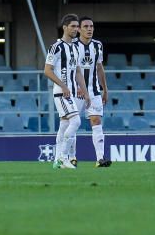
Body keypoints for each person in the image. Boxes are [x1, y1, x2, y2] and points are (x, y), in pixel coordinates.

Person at [43, 14, 90, 170]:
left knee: (64, 125)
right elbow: (47, 71)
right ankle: (63, 158)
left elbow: (77, 71)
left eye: (77, 26)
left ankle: (57, 160)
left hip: (70, 92)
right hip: (61, 92)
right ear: (64, 27)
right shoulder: (56, 47)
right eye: (73, 26)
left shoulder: (75, 48)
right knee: (75, 121)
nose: (76, 29)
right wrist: (63, 86)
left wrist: (85, 91)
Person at [75, 17, 110, 168]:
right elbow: (68, 68)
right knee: (73, 124)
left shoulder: (98, 45)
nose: (89, 29)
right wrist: (75, 85)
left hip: (94, 90)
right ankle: (70, 157)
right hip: (76, 91)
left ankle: (100, 158)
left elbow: (100, 67)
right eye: (86, 26)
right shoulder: (72, 45)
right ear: (79, 29)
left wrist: (105, 89)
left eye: (91, 26)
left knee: (96, 121)